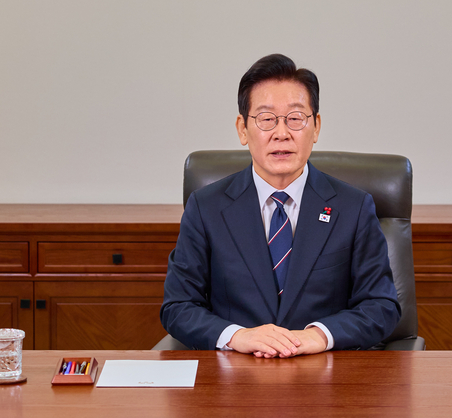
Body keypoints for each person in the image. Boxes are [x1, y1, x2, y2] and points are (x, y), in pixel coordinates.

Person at [160, 54, 400, 356]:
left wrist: (319, 336)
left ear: (316, 127)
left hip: (325, 379)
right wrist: (237, 336)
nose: (282, 133)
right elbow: (178, 307)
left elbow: (381, 306)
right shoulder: (207, 208)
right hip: (234, 380)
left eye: (296, 118)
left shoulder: (353, 208)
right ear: (242, 129)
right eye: (266, 119)